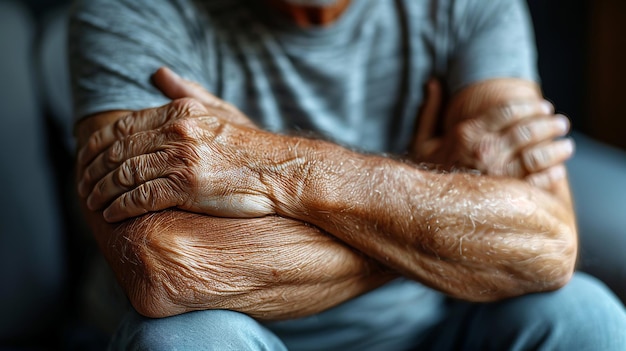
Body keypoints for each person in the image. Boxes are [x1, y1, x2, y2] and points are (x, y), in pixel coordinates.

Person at [69, 0, 626, 349]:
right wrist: (440, 208)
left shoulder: (468, 7)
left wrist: (268, 163)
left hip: (426, 333)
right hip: (238, 332)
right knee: (183, 340)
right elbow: (168, 266)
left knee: (584, 312)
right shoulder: (132, 11)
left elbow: (549, 244)